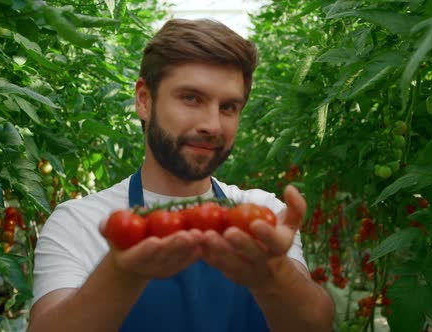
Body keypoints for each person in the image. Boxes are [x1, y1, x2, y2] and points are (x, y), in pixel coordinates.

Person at [28, 18, 334, 332]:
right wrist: (122, 273)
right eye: (191, 98)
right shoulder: (79, 223)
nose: (213, 125)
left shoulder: (262, 214)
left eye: (228, 107)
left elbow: (316, 324)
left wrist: (274, 274)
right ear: (144, 100)